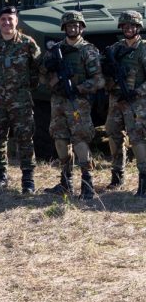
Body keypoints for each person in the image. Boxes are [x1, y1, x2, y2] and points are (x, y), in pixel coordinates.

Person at [40, 11, 104, 199]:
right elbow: (42, 73)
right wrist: (53, 79)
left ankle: (87, 182)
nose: (73, 28)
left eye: (76, 25)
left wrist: (78, 88)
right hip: (58, 101)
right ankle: (65, 181)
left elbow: (99, 80)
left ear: (82, 28)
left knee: (80, 140)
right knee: (59, 139)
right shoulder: (55, 50)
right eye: (69, 26)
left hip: (78, 102)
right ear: (64, 28)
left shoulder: (88, 50)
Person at [0, 6, 42, 193]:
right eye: (3, 19)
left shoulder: (27, 43)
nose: (7, 22)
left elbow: (37, 68)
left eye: (10, 19)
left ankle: (28, 180)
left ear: (16, 21)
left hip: (21, 101)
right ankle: (0, 177)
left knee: (25, 139)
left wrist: (25, 88)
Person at [102, 11, 146, 192]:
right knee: (112, 133)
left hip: (137, 101)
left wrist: (138, 91)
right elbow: (103, 70)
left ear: (138, 27)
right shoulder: (115, 48)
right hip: (116, 100)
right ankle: (117, 175)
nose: (128, 29)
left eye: (132, 26)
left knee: (137, 138)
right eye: (125, 26)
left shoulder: (143, 48)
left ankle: (144, 180)